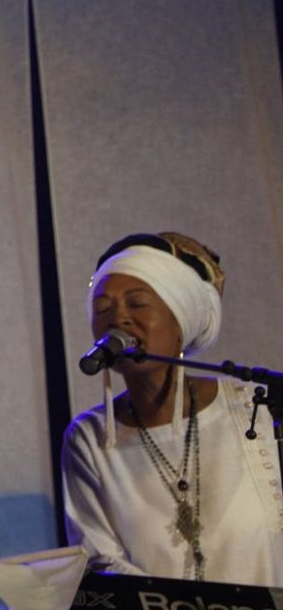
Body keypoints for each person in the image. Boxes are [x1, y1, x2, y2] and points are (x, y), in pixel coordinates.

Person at [62, 232, 283, 585]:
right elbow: (101, 563)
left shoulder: (258, 406)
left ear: (179, 323)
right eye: (103, 308)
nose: (119, 317)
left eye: (137, 303)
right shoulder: (89, 437)